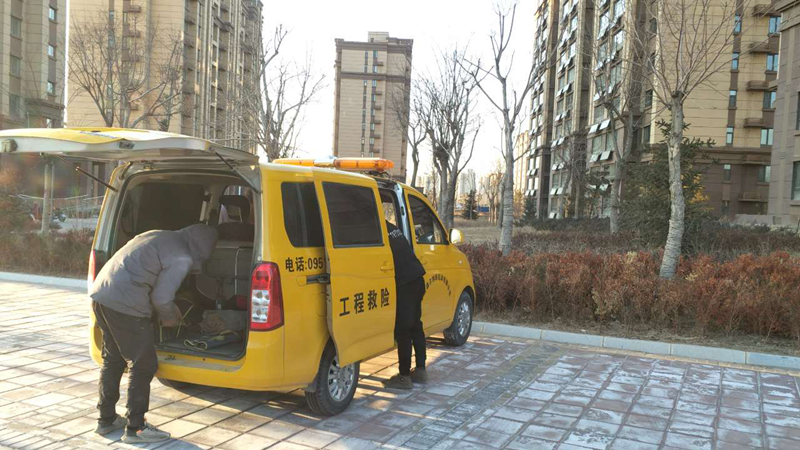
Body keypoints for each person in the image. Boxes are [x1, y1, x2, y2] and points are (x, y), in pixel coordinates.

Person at [89, 224, 218, 443]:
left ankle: (106, 420)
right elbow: (161, 298)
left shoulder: (157, 235)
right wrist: (169, 316)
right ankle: (136, 429)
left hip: (101, 295)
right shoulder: (182, 257)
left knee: (113, 360)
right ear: (204, 248)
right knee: (144, 364)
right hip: (125, 304)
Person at [382, 219, 428, 390]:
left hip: (406, 283)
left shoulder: (378, 231)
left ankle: (404, 377)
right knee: (416, 325)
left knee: (404, 330)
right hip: (417, 278)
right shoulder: (391, 228)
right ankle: (421, 370)